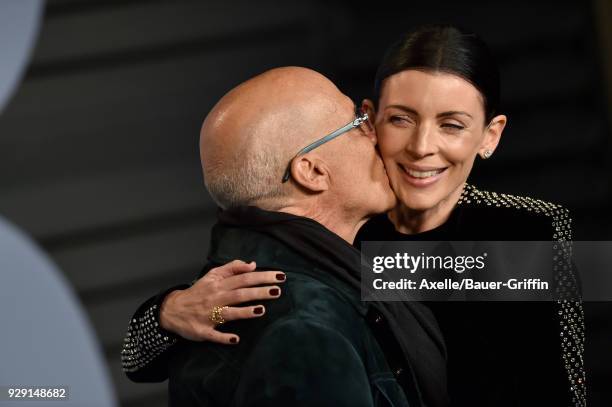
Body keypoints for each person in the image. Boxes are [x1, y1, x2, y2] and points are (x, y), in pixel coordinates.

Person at [123, 25, 586, 406]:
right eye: (400, 119)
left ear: (490, 136)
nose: (422, 146)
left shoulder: (531, 230)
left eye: (452, 124)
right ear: (372, 117)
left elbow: (565, 383)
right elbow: (150, 356)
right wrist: (166, 312)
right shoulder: (344, 228)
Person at [125, 66, 449, 406]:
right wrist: (163, 315)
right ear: (312, 171)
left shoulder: (239, 273)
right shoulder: (304, 330)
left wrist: (162, 315)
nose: (380, 134)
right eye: (359, 123)